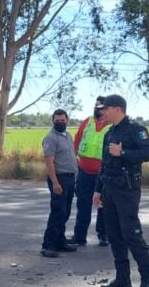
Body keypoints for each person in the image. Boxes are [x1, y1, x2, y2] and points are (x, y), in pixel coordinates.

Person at [92, 94, 149, 287]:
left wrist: (124, 153)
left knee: (132, 234)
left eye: (106, 108)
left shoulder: (136, 130)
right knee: (114, 235)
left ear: (118, 108)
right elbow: (104, 164)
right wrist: (97, 190)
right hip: (109, 189)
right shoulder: (109, 133)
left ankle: (147, 281)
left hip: (127, 190)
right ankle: (123, 279)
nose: (103, 112)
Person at [71, 96, 111, 247]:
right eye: (96, 106)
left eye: (101, 107)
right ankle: (79, 236)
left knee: (103, 205)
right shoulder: (87, 121)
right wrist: (73, 158)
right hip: (84, 171)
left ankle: (103, 235)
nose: (97, 109)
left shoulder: (113, 125)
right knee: (83, 204)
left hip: (104, 173)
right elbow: (77, 139)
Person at [41, 109, 78, 258]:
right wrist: (55, 182)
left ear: (67, 120)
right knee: (58, 212)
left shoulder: (67, 136)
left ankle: (60, 242)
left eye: (63, 120)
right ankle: (48, 245)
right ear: (53, 121)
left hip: (70, 178)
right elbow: (49, 162)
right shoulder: (50, 138)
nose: (60, 123)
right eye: (58, 120)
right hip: (59, 179)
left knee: (66, 212)